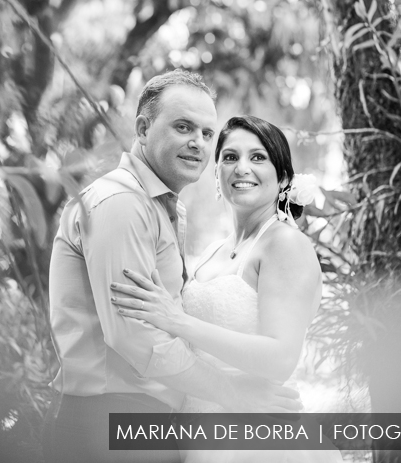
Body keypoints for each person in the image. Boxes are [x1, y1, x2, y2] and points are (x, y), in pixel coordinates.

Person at [44, 75, 301, 463]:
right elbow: (137, 338)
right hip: (108, 420)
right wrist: (235, 394)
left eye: (207, 132)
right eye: (183, 127)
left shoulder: (160, 208)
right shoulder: (122, 204)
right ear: (143, 129)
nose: (198, 142)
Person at [111, 115, 343, 462]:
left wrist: (177, 321)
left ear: (282, 178)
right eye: (230, 157)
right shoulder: (211, 253)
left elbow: (280, 358)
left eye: (258, 157)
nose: (242, 168)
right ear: (217, 172)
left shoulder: (284, 245)